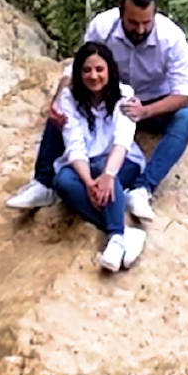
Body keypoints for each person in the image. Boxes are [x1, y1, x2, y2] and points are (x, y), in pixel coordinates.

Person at [6, 0, 188, 222]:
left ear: (155, 14)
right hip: (107, 99)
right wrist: (57, 100)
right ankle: (43, 182)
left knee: (187, 117)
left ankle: (142, 188)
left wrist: (145, 111)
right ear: (120, 13)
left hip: (152, 102)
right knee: (62, 106)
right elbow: (77, 69)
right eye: (132, 23)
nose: (139, 30)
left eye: (146, 23)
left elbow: (183, 94)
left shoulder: (172, 39)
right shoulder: (103, 26)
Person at [49, 41, 149, 273]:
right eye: (87, 70)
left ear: (109, 71)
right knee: (62, 181)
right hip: (86, 165)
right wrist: (89, 182)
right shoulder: (68, 98)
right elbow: (74, 146)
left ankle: (115, 238)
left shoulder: (125, 95)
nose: (93, 76)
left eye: (99, 69)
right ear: (78, 73)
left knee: (106, 173)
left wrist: (107, 175)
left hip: (121, 161)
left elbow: (122, 141)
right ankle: (123, 232)